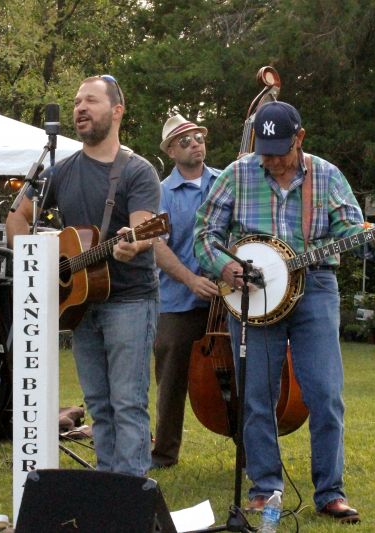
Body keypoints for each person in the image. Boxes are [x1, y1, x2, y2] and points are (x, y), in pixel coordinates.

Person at [194, 101, 375, 523]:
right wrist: (225, 267)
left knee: (325, 393)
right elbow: (203, 235)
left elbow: (348, 229)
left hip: (315, 287)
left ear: (300, 138)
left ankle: (330, 492)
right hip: (251, 292)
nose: (269, 159)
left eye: (279, 150)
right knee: (256, 395)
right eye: (263, 149)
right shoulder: (236, 174)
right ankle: (264, 487)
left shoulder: (326, 175)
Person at [6, 75, 161, 476]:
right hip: (78, 303)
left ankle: (128, 498)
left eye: (90, 100)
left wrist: (135, 243)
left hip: (128, 298)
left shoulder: (137, 171)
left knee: (127, 403)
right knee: (97, 404)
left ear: (117, 111)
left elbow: (146, 229)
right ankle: (106, 488)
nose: (79, 108)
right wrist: (38, 269)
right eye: (76, 102)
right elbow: (16, 218)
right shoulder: (60, 170)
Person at [151, 114, 220, 469]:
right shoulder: (160, 192)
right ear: (172, 152)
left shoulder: (227, 182)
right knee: (171, 380)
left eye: (198, 136)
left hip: (228, 300)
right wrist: (191, 280)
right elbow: (156, 245)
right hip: (177, 301)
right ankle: (164, 454)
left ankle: (247, 451)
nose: (195, 142)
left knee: (238, 375)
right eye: (186, 140)